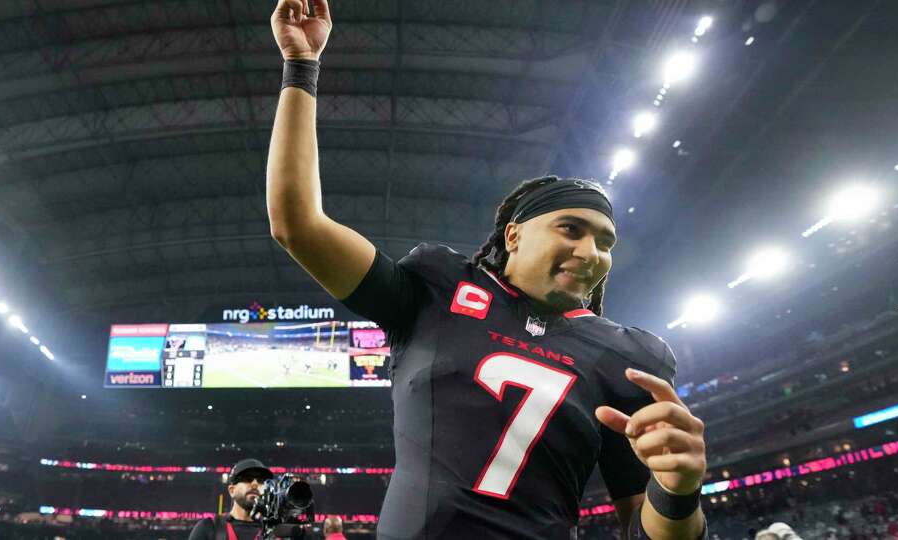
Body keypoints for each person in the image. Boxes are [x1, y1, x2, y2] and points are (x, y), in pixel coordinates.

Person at [267, 1, 708, 539]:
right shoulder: (436, 289)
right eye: (571, 229)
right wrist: (301, 67)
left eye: (606, 241)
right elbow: (297, 224)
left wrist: (679, 491)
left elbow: (645, 533)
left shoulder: (631, 358)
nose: (591, 252)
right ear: (514, 234)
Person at [189, 458, 274, 540]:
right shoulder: (208, 528)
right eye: (247, 479)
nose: (255, 484)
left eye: (260, 481)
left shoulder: (274, 531)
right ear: (232, 491)